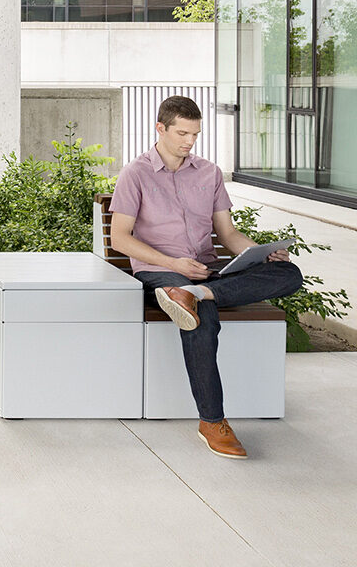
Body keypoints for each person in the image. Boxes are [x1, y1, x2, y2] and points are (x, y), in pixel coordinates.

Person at [109, 95, 303, 458]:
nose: (188, 141)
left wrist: (259, 251)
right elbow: (120, 238)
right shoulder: (136, 174)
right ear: (160, 128)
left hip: (208, 274)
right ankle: (212, 421)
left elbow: (228, 235)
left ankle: (196, 294)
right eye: (182, 133)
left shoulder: (209, 173)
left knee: (289, 273)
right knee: (201, 320)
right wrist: (175, 264)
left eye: (195, 135)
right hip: (161, 275)